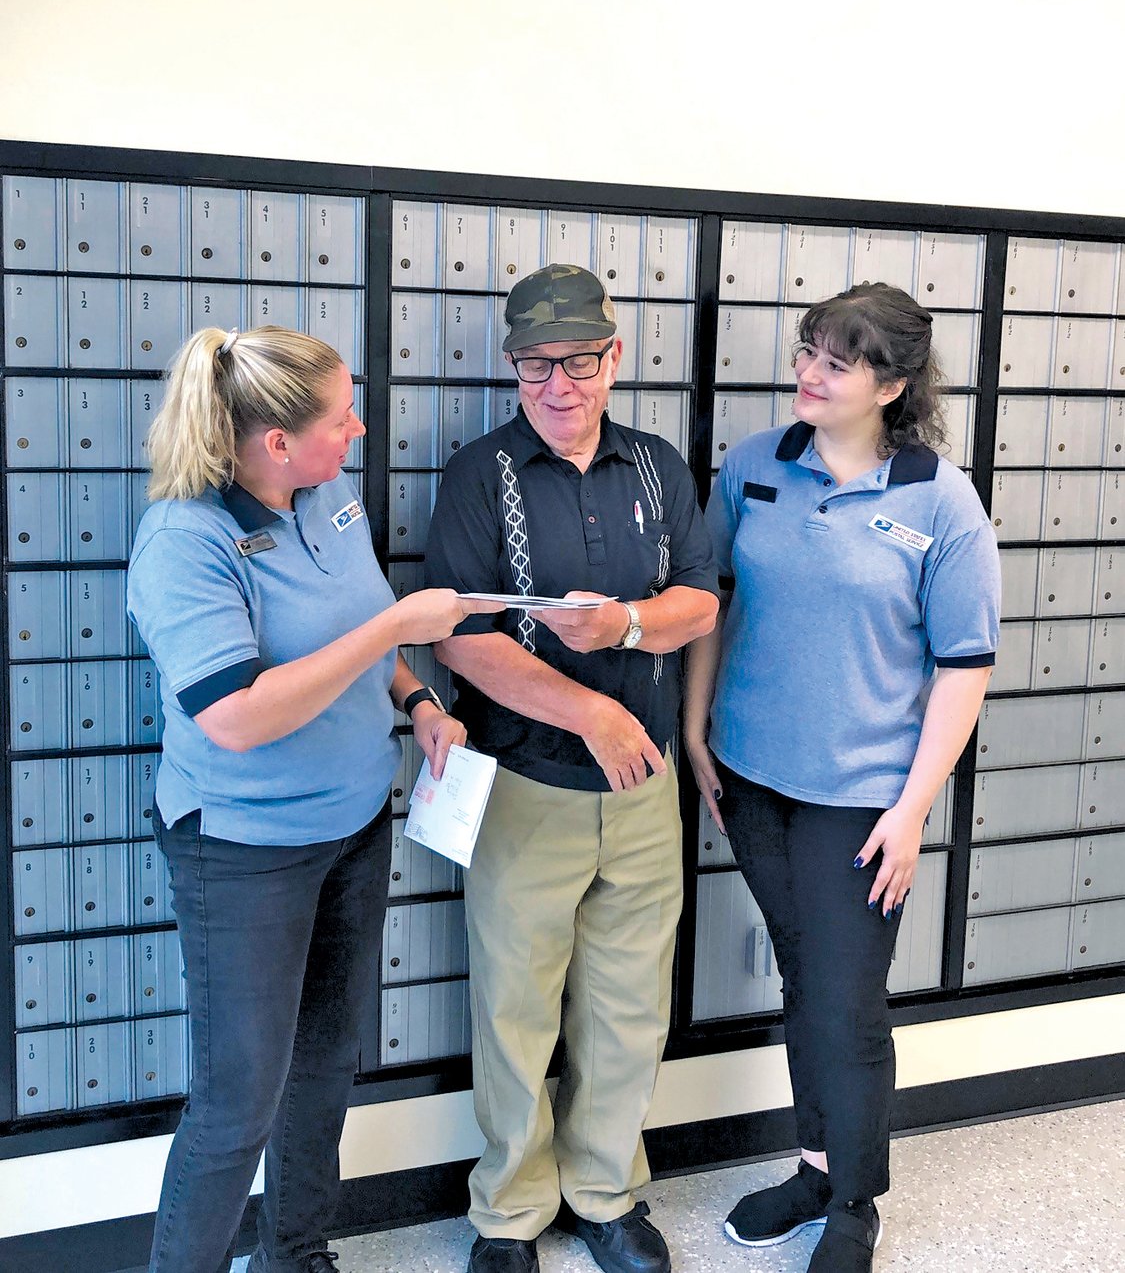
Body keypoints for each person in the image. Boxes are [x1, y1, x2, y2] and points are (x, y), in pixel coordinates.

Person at [127, 325, 492, 1273]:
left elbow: (359, 633)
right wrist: (396, 633)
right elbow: (238, 718)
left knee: (325, 1065)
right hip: (243, 850)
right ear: (276, 441)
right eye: (341, 417)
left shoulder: (326, 497)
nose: (361, 429)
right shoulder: (185, 540)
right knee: (238, 1098)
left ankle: (295, 1254)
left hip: (355, 825)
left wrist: (415, 698)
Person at [683, 282, 1001, 1273]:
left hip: (863, 798)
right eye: (808, 350)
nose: (807, 373)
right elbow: (710, 597)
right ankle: (817, 1166)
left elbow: (965, 665)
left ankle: (856, 1200)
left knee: (846, 998)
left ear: (891, 385)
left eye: (837, 361)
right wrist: (694, 729)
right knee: (805, 978)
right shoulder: (754, 466)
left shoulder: (939, 500)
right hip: (751, 778)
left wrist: (911, 811)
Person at [424, 265, 719, 1273]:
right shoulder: (479, 476)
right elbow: (460, 637)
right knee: (514, 1011)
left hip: (644, 802)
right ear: (513, 369)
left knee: (629, 1008)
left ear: (613, 359)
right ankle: (508, 1213)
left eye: (579, 362)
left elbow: (701, 600)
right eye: (537, 365)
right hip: (525, 791)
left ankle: (603, 1195)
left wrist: (631, 624)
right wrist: (589, 708)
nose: (559, 384)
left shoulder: (657, 468)